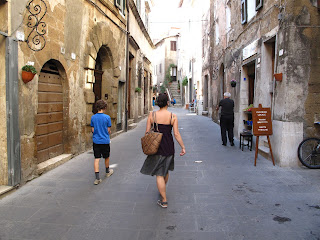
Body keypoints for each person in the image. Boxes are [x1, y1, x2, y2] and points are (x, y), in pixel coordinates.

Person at [140, 93, 186, 208]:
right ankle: (162, 190)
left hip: (156, 146)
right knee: (165, 171)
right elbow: (176, 134)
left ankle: (164, 199)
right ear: (167, 103)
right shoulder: (173, 116)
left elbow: (147, 133)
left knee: (159, 174)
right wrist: (183, 147)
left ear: (158, 103)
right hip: (169, 146)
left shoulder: (152, 115)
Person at [90, 99, 114, 185]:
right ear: (104, 108)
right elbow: (108, 130)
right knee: (106, 157)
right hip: (105, 141)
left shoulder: (93, 117)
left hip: (96, 141)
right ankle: (107, 172)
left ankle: (97, 178)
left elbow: (92, 130)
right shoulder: (107, 118)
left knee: (97, 158)